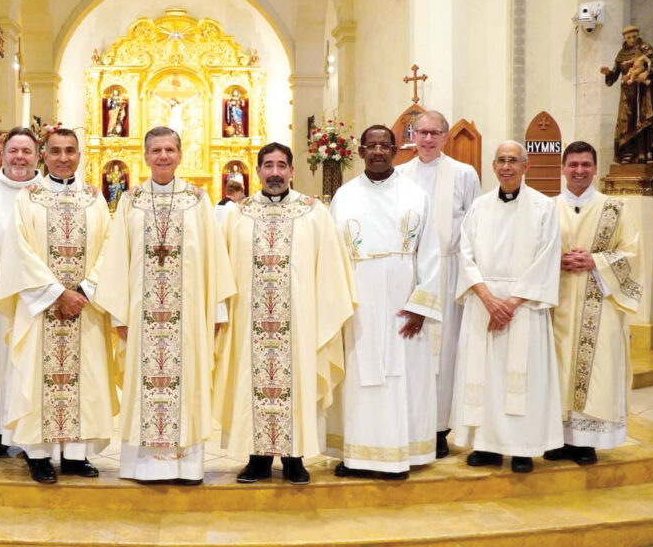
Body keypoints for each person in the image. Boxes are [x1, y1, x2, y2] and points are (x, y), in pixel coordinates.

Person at [91, 126, 235, 485]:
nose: (163, 156)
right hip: (142, 315)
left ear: (180, 154)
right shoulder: (131, 200)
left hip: (187, 316)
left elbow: (213, 257)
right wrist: (120, 313)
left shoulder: (198, 199)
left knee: (188, 382)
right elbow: (117, 258)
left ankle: (186, 466)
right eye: (156, 150)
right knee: (145, 385)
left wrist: (216, 312)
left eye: (170, 149)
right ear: (145, 155)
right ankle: (145, 466)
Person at [216, 142, 353, 485]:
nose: (275, 172)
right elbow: (222, 269)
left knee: (299, 379)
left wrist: (324, 308)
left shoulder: (313, 212)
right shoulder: (238, 213)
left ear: (292, 171)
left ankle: (295, 457)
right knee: (250, 380)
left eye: (281, 166)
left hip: (299, 321)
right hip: (251, 321)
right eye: (268, 166)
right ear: (258, 170)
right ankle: (257, 457)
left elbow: (331, 267)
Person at [0, 128, 114, 483]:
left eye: (70, 151)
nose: (63, 157)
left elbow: (110, 248)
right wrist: (57, 294)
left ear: (80, 155)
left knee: (85, 379)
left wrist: (86, 290)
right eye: (56, 151)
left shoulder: (95, 199)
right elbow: (19, 252)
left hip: (85, 308)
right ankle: (39, 455)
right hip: (40, 308)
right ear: (44, 156)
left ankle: (76, 456)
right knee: (35, 375)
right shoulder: (28, 198)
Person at [328, 125, 443, 480]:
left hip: (402, 301)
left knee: (401, 375)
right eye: (371, 146)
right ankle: (358, 455)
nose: (378, 151)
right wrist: (338, 305)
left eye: (384, 146)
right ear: (360, 152)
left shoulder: (415, 195)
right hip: (358, 299)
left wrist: (422, 306)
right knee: (361, 376)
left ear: (395, 151)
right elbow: (332, 255)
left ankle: (399, 454)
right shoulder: (343, 196)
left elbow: (432, 253)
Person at [450, 141, 563, 474]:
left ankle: (522, 447)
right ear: (494, 165)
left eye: (513, 160)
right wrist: (487, 298)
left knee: (521, 379)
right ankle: (485, 446)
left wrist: (511, 303)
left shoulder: (544, 208)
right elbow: (465, 253)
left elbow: (547, 258)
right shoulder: (480, 207)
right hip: (483, 303)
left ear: (525, 166)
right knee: (482, 375)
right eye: (501, 160)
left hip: (523, 307)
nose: (506, 167)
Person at [546, 141, 641, 466]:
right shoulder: (547, 208)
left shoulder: (615, 209)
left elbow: (632, 255)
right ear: (563, 168)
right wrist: (556, 260)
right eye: (573, 165)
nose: (579, 171)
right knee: (556, 367)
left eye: (586, 165)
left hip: (600, 305)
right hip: (556, 305)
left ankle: (587, 441)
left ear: (595, 168)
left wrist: (595, 261)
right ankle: (556, 437)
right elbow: (531, 253)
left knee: (596, 370)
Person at [395, 110, 481, 458]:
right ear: (413, 136)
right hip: (408, 272)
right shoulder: (399, 175)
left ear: (446, 137)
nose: (428, 139)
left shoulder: (464, 174)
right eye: (422, 132)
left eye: (435, 133)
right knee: (412, 350)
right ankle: (410, 422)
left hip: (448, 272)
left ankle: (439, 428)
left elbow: (475, 226)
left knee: (445, 354)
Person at [0, 126, 42, 459]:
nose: (19, 157)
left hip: (35, 296)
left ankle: (31, 434)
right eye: (13, 150)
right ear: (2, 154)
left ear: (37, 156)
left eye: (26, 151)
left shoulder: (47, 191)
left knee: (28, 364)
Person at [601, 25, 653, 164]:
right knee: (626, 121)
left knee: (643, 119)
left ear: (638, 35)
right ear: (624, 38)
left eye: (634, 36)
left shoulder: (645, 48)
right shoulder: (621, 53)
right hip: (628, 94)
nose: (632, 40)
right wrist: (607, 73)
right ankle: (627, 152)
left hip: (643, 92)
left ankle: (646, 152)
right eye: (629, 37)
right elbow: (614, 75)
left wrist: (647, 73)